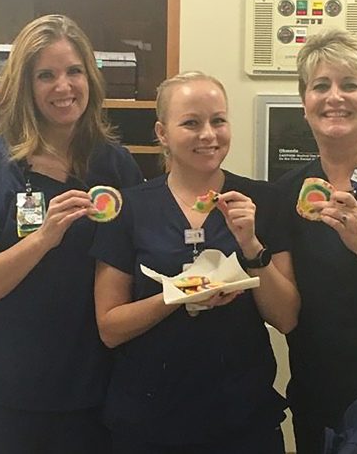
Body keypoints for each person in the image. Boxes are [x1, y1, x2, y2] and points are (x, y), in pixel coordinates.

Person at [0, 14, 143, 454]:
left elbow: (132, 265)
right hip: (1, 397)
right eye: (46, 75)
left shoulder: (114, 166)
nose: (64, 87)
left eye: (74, 71)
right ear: (25, 85)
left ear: (90, 78)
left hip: (89, 391)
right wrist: (43, 238)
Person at [91, 71, 301, 453]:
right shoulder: (131, 208)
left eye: (218, 120)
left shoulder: (263, 202)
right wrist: (174, 297)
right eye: (191, 122)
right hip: (150, 420)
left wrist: (250, 244)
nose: (209, 134)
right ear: (162, 133)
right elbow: (109, 326)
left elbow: (285, 317)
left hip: (242, 419)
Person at [277, 28, 357, 453]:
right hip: (318, 392)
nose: (334, 97)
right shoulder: (289, 189)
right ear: (304, 100)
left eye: (351, 84)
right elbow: (285, 309)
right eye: (320, 86)